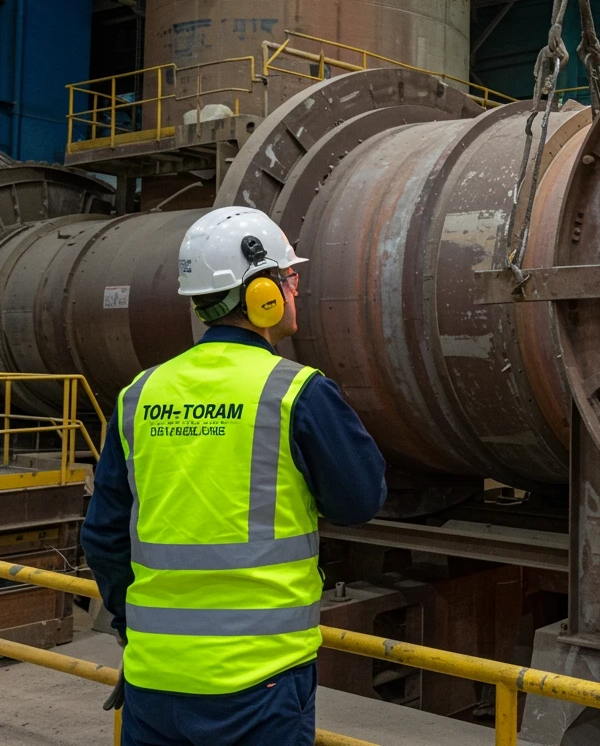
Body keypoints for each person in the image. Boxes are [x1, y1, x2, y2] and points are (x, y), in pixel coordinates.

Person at [82, 206, 387, 746]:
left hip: (154, 681)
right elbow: (361, 500)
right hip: (259, 685)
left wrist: (142, 630)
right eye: (289, 278)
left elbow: (104, 537)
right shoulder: (296, 392)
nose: (296, 290)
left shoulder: (139, 395)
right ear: (261, 295)